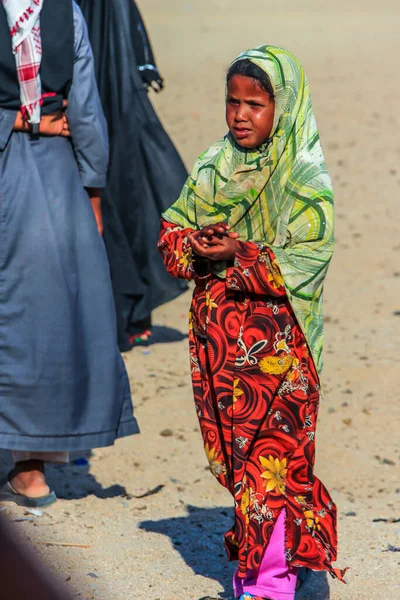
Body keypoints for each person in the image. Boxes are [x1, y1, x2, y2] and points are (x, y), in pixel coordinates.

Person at [158, 46, 347, 600]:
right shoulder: (214, 166)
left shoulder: (306, 176)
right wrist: (193, 243)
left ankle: (271, 581)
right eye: (232, 102)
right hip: (218, 347)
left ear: (283, 108)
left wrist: (241, 253)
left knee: (276, 461)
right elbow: (171, 232)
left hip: (282, 353)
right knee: (244, 464)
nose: (240, 115)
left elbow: (310, 256)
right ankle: (279, 569)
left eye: (255, 104)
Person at [0, 0, 138, 508]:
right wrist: (91, 185)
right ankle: (29, 469)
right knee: (44, 316)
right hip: (52, 173)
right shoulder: (65, 13)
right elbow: (85, 108)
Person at [76, 0, 188, 351]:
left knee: (121, 188)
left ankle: (128, 315)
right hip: (94, 85)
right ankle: (126, 316)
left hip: (107, 88)